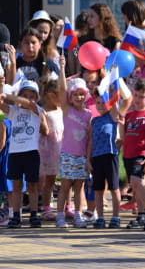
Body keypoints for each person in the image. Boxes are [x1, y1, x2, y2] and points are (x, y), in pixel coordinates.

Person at [0, 79, 48, 228]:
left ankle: (34, 214)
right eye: (25, 95)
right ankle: (16, 215)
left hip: (31, 152)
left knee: (32, 186)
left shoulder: (37, 110)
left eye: (32, 95)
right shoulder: (14, 111)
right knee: (16, 186)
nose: (28, 98)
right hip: (15, 153)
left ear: (37, 98)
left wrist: (9, 96)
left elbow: (29, 104)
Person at [56, 57, 91, 228]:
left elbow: (90, 138)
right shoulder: (66, 110)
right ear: (71, 96)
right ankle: (60, 216)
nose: (79, 97)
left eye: (82, 94)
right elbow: (62, 89)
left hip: (81, 157)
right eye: (76, 94)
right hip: (67, 155)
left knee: (79, 188)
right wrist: (62, 68)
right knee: (65, 187)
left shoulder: (88, 114)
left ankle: (78, 215)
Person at [123, 79, 145, 231]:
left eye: (141, 97)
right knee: (135, 186)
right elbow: (125, 136)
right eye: (135, 95)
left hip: (141, 154)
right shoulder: (129, 114)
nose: (137, 100)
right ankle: (142, 215)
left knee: (137, 181)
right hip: (128, 155)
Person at [89, 88, 121, 229]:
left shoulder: (113, 117)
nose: (101, 106)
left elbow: (115, 104)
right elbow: (90, 141)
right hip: (96, 157)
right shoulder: (94, 121)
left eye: (103, 103)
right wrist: (87, 159)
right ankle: (100, 217)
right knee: (98, 189)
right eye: (98, 103)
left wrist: (112, 88)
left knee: (114, 188)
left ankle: (115, 217)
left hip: (110, 155)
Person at [38, 80, 64, 221]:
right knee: (49, 181)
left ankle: (67, 207)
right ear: (51, 95)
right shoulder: (42, 111)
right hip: (48, 150)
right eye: (60, 96)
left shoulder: (61, 110)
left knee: (66, 180)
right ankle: (46, 209)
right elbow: (45, 131)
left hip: (62, 148)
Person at [0, 106, 11, 226]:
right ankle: (9, 212)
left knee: (3, 186)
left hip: (3, 157)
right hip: (11, 156)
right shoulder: (13, 121)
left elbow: (1, 143)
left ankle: (5, 213)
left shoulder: (3, 122)